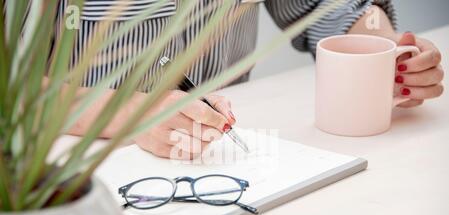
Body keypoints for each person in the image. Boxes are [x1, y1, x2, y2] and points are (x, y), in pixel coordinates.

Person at [61, 0, 444, 159]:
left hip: (218, 149)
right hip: (74, 168)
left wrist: (382, 51)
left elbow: (324, 6)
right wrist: (131, 113)